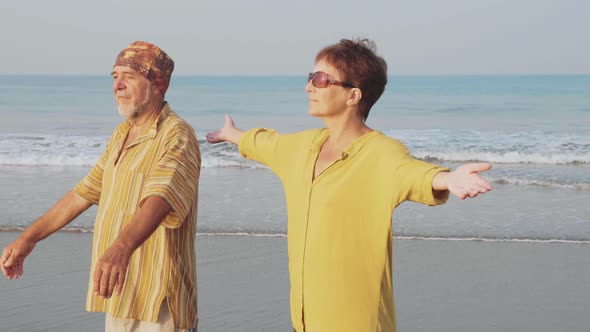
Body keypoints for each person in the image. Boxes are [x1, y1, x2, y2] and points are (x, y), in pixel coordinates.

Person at [206, 38, 492, 332]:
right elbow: (266, 143)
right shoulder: (303, 147)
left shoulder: (381, 152)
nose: (309, 87)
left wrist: (448, 178)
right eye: (310, 78)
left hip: (356, 322)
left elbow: (411, 173)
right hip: (304, 322)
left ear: (353, 95)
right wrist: (233, 134)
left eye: (321, 79)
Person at [1, 41, 200, 332]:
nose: (117, 85)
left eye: (129, 76)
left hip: (159, 300)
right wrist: (29, 238)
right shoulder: (121, 135)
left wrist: (121, 247)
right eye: (114, 76)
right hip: (119, 293)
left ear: (158, 84)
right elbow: (83, 194)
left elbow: (162, 197)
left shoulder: (177, 134)